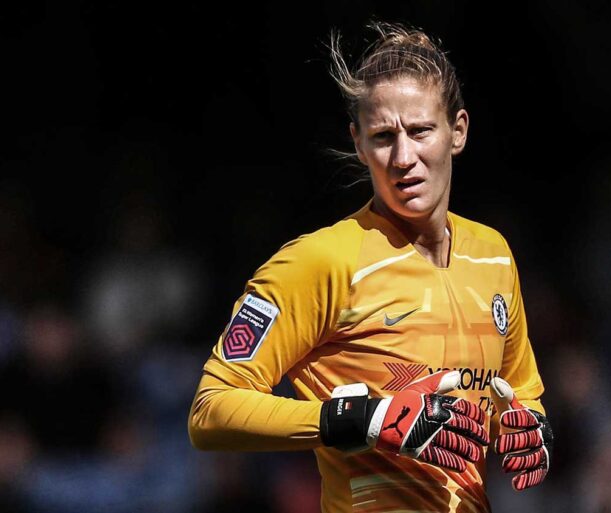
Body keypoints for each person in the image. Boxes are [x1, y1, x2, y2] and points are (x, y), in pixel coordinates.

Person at [188, 21, 553, 512]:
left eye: (421, 130)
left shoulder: (493, 254)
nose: (404, 157)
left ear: (458, 131)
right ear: (359, 144)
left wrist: (529, 428)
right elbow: (211, 413)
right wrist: (367, 418)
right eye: (384, 136)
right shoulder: (319, 261)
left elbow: (520, 394)